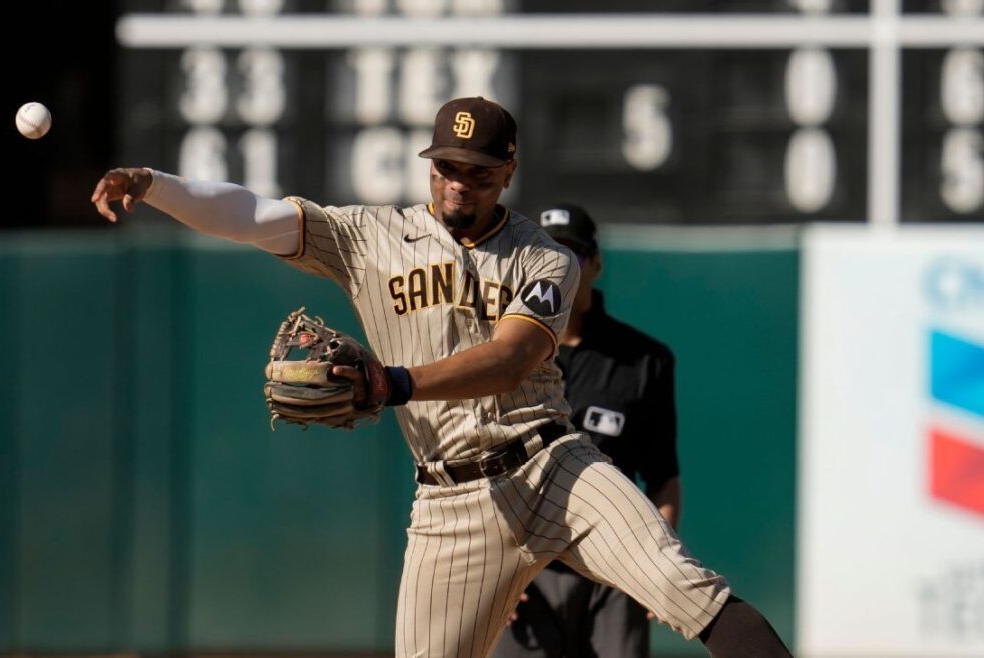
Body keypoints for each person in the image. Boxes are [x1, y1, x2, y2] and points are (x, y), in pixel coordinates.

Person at [91, 96, 792, 658]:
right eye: (446, 166)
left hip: (556, 466)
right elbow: (252, 215)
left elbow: (511, 359)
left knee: (689, 589)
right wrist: (155, 185)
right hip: (450, 501)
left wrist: (392, 383)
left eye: (478, 171)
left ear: (508, 171)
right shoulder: (367, 237)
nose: (459, 181)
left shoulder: (545, 257)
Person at [493, 204, 682, 658]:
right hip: (526, 566)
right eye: (545, 256)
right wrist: (492, 566)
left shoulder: (643, 360)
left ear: (595, 264)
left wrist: (657, 562)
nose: (558, 269)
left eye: (572, 256)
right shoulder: (498, 355)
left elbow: (663, 477)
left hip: (615, 569)